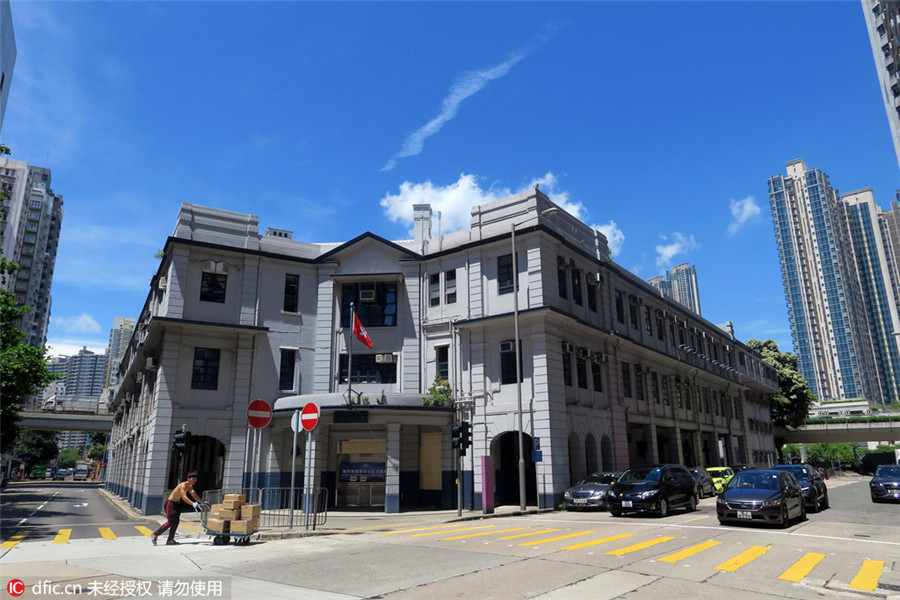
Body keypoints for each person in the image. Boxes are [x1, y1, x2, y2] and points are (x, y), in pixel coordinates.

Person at [152, 472, 203, 546]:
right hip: (170, 503)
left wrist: (202, 502)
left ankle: (170, 540)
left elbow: (194, 495)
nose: (195, 480)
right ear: (188, 479)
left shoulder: (190, 486)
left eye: (196, 479)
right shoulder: (183, 485)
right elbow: (184, 497)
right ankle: (155, 534)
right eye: (193, 479)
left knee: (176, 522)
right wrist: (193, 503)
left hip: (176, 504)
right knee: (170, 522)